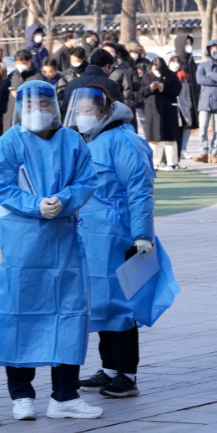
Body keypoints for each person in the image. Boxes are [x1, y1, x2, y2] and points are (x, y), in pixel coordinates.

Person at [0, 80, 101, 421]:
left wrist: (63, 200)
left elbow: (86, 181)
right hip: (23, 244)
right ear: (18, 109)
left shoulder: (72, 141)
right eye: (30, 105)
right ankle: (21, 395)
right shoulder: (9, 143)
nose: (38, 111)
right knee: (20, 314)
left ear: (55, 107)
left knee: (70, 315)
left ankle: (65, 396)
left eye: (45, 104)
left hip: (64, 243)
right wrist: (35, 205)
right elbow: (1, 186)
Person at [64, 85, 179, 398]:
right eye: (79, 111)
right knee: (100, 302)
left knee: (122, 305)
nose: (82, 117)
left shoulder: (125, 140)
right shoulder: (93, 140)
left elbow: (140, 190)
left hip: (120, 235)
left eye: (88, 111)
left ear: (104, 110)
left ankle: (127, 374)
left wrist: (142, 235)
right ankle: (110, 369)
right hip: (92, 235)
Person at [142, 57, 182, 171]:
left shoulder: (171, 76)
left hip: (169, 109)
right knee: (153, 138)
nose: (156, 71)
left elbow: (177, 90)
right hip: (152, 108)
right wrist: (150, 88)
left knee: (170, 136)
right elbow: (141, 92)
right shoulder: (147, 76)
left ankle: (172, 163)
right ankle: (155, 163)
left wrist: (163, 87)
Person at [195, 39, 217, 164]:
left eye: (216, 48)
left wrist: (209, 75)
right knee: (202, 128)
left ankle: (214, 154)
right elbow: (200, 79)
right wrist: (216, 78)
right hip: (205, 101)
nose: (213, 50)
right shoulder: (202, 65)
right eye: (211, 48)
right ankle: (203, 153)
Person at [61, 49, 123, 121]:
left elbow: (65, 111)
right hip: (102, 129)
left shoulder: (71, 84)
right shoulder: (110, 84)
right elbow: (118, 112)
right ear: (107, 67)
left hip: (74, 128)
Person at [3, 50, 48, 132]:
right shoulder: (12, 76)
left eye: (23, 63)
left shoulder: (38, 78)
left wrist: (21, 95)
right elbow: (3, 95)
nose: (20, 66)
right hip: (11, 119)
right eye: (18, 63)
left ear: (29, 62)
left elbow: (43, 99)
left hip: (30, 121)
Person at [174, 35, 200, 160]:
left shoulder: (191, 61)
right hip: (180, 97)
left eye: (190, 43)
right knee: (180, 124)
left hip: (192, 97)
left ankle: (184, 148)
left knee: (189, 125)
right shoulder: (176, 61)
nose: (188, 46)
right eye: (186, 43)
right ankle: (178, 149)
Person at [170, 55, 194, 161]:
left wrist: (188, 104)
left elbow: (187, 93)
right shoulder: (166, 76)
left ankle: (183, 150)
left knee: (186, 128)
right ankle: (173, 152)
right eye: (173, 61)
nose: (176, 63)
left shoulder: (183, 76)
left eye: (177, 61)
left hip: (183, 107)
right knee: (174, 130)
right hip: (171, 107)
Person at [101, 43, 134, 115]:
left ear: (115, 54)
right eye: (105, 51)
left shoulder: (121, 70)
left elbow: (127, 91)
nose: (107, 53)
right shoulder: (96, 68)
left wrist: (125, 109)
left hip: (116, 108)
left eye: (110, 51)